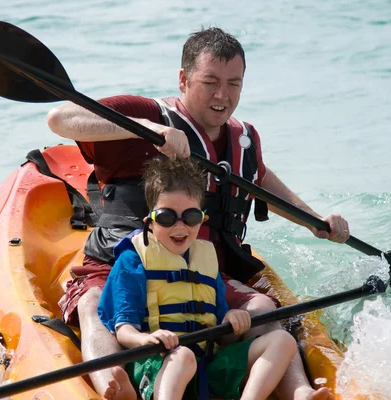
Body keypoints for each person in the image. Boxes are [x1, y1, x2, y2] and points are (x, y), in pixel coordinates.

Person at [48, 27, 347, 400]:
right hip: (119, 263)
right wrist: (148, 131)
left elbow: (259, 179)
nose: (223, 95)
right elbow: (61, 118)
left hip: (205, 272)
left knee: (265, 309)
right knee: (93, 304)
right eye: (210, 82)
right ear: (183, 79)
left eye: (234, 83)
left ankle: (300, 393)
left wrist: (314, 220)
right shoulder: (150, 113)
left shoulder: (242, 139)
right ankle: (112, 384)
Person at [98, 156, 297, 400]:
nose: (179, 226)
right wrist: (146, 338)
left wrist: (232, 319)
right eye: (166, 217)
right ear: (149, 221)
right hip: (158, 362)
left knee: (282, 340)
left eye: (190, 216)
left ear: (202, 219)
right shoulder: (133, 259)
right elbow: (123, 330)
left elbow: (222, 334)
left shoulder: (205, 258)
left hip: (206, 365)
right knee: (182, 356)